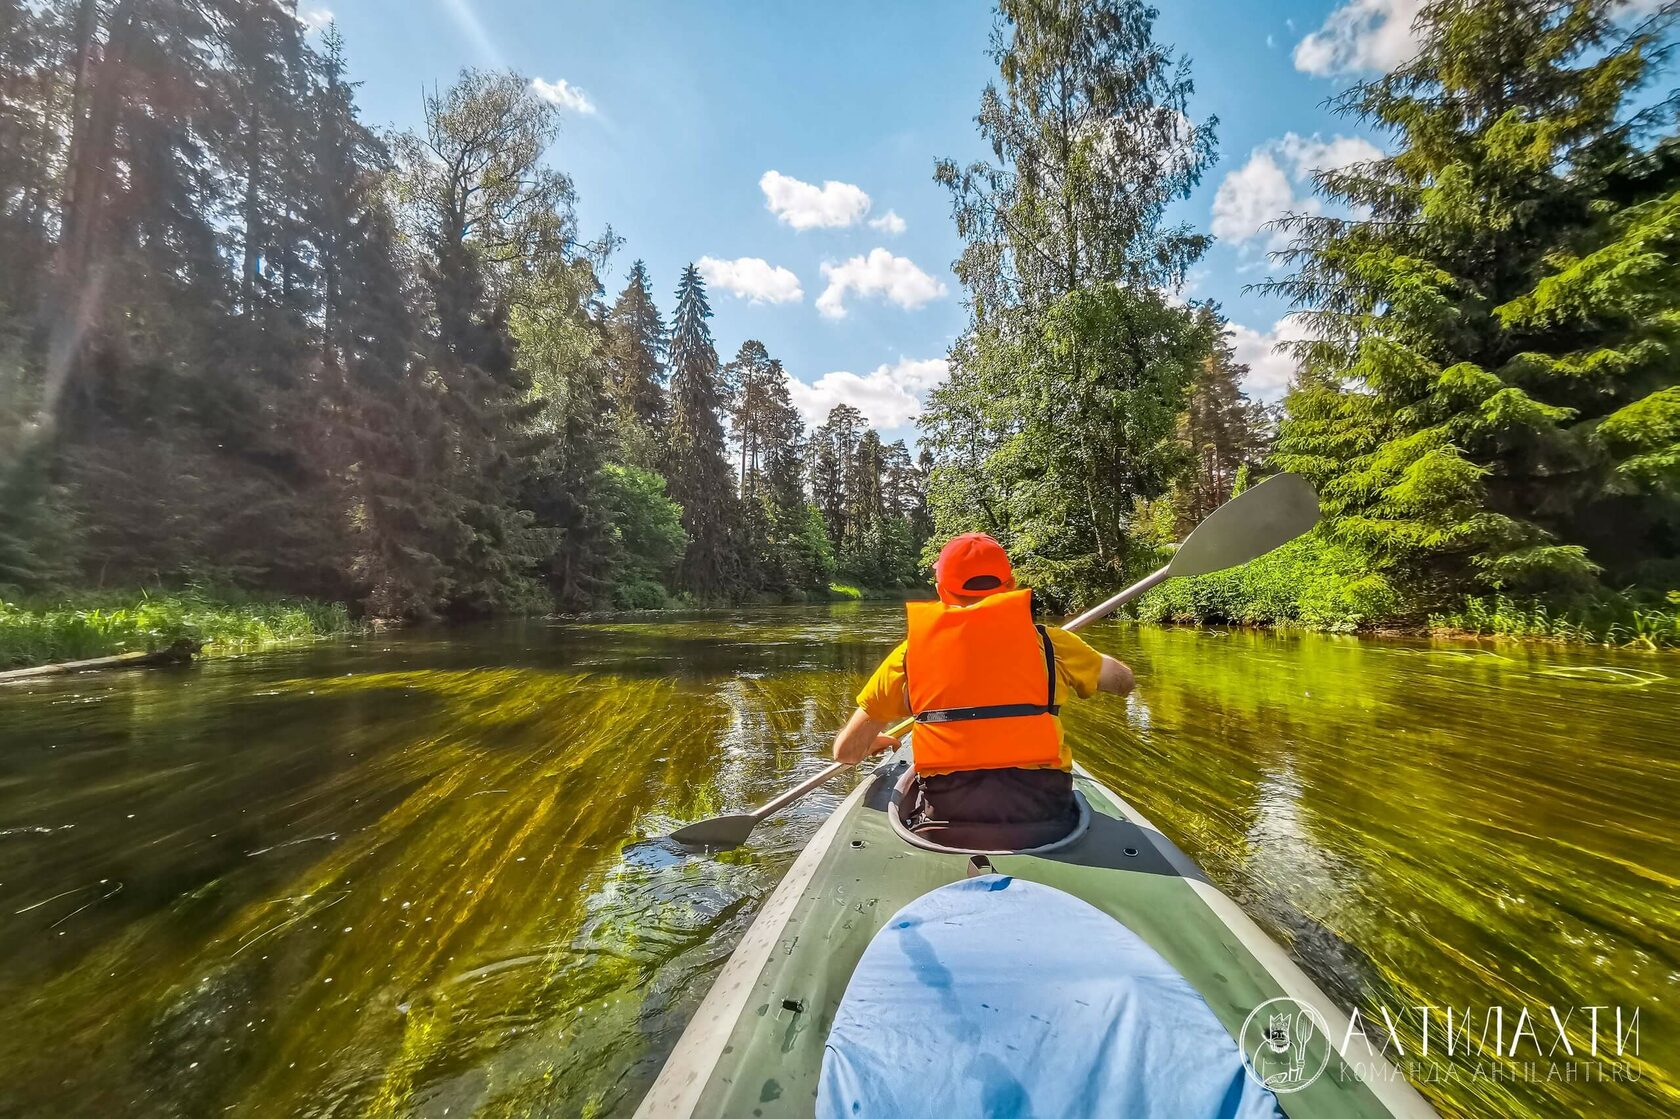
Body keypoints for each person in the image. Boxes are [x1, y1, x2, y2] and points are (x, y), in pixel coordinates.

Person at [831, 532, 1134, 844]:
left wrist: (871, 741)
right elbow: (1123, 682)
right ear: (1011, 585)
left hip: (948, 816)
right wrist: (1088, 657)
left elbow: (847, 753)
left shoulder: (908, 657)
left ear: (940, 591)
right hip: (1045, 814)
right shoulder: (1052, 643)